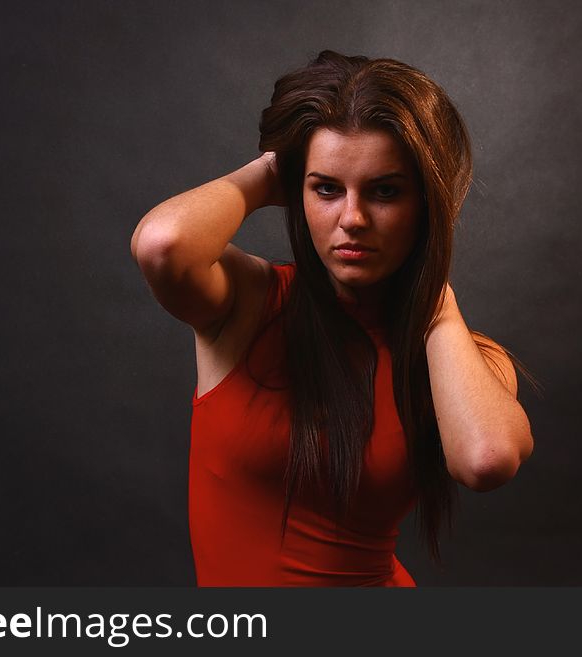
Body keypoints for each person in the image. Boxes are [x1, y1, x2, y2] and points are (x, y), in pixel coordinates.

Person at [130, 50, 534, 586]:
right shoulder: (251, 305)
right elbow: (163, 245)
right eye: (326, 188)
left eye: (384, 191)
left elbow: (486, 460)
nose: (352, 219)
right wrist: (279, 163)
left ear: (425, 206)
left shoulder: (463, 355)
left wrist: (436, 306)